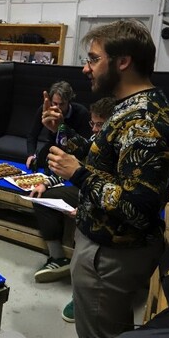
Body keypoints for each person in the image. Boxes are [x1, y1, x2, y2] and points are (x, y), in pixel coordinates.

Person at [42, 20, 169, 338]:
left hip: (112, 254)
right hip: (104, 247)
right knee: (100, 336)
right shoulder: (130, 106)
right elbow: (108, 159)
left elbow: (137, 207)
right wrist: (64, 133)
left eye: (93, 59)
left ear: (123, 61)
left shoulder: (142, 121)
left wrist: (79, 174)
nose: (86, 68)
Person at [30, 96, 115, 285]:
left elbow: (113, 193)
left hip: (104, 204)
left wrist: (87, 207)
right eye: (92, 123)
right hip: (84, 194)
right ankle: (57, 257)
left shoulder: (117, 150)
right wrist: (46, 183)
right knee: (42, 197)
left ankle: (85, 285)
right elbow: (74, 169)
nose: (93, 129)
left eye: (99, 125)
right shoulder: (95, 140)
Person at [25, 81, 92, 169]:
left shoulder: (82, 113)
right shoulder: (45, 109)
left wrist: (61, 126)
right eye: (55, 103)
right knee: (36, 165)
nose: (57, 108)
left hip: (74, 152)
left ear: (69, 101)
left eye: (62, 104)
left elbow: (85, 145)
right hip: (52, 146)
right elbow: (32, 135)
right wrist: (31, 155)